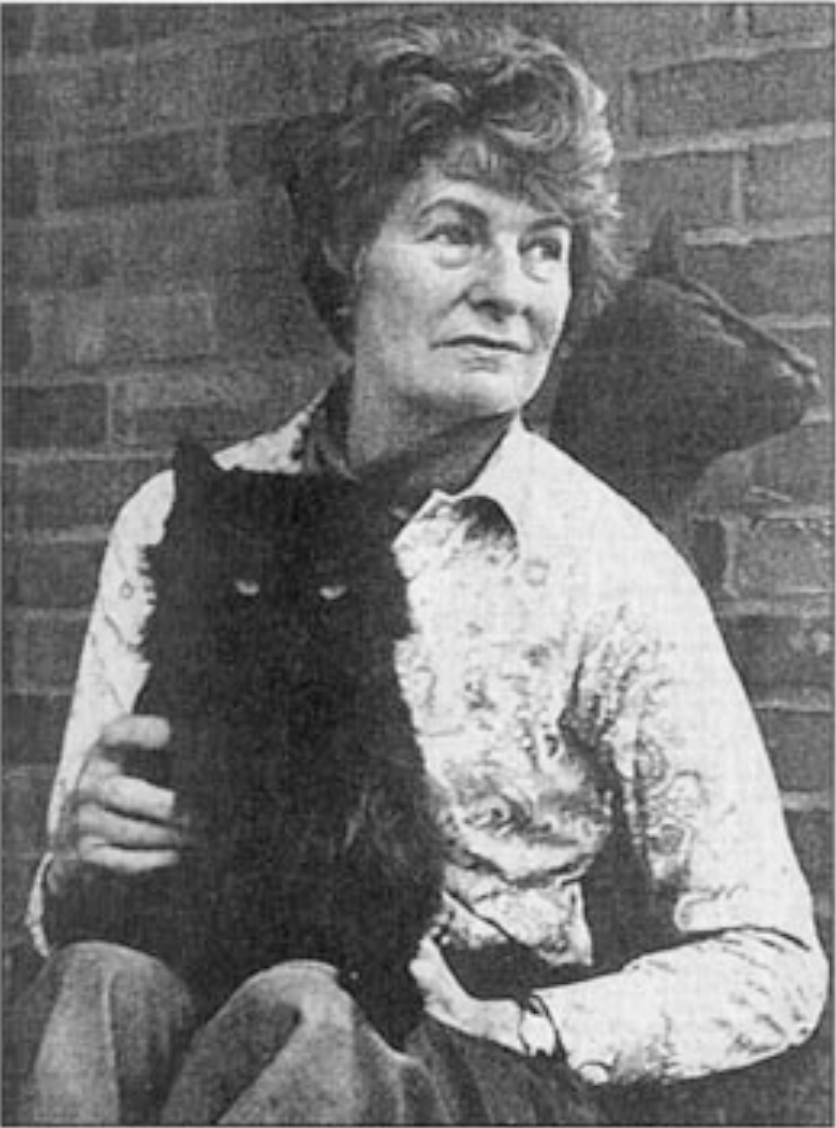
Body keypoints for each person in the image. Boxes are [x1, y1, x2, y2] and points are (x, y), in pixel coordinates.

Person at [10, 20, 827, 1126]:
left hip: (445, 1051)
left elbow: (772, 959)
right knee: (97, 988)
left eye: (545, 248)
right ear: (350, 254)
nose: (510, 291)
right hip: (195, 972)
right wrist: (77, 862)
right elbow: (62, 920)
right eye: (456, 232)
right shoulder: (179, 518)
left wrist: (532, 1022)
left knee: (305, 1021)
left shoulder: (609, 567)